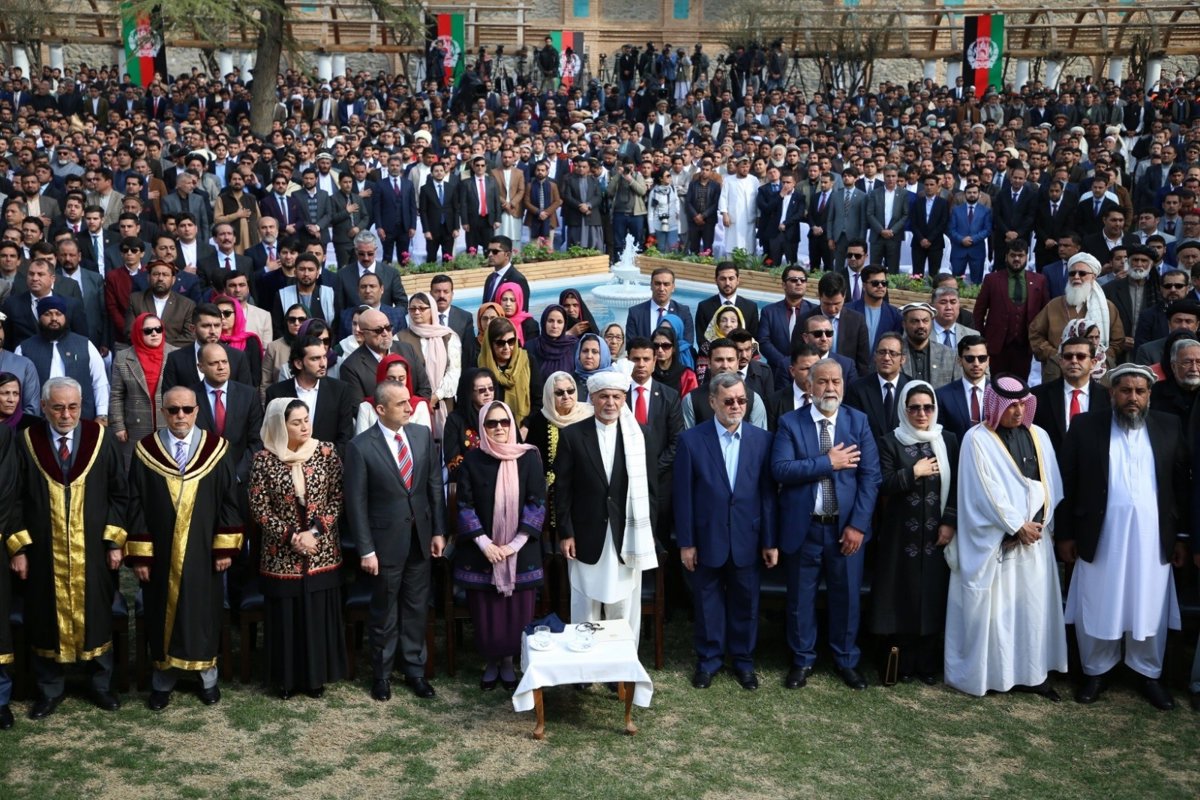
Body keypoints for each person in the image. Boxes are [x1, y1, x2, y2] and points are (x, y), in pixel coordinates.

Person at [1058, 364, 1189, 710]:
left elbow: (1180, 486)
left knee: (1149, 601)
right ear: (1112, 393)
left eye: (1139, 391)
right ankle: (1096, 670)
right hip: (1101, 536)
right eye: (1125, 390)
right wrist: (1066, 534)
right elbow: (1067, 483)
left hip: (1152, 538)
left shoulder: (1169, 426)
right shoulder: (1086, 426)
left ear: (1149, 395)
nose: (1133, 398)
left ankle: (1148, 672)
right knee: (1099, 599)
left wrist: (1182, 537)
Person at [9, 378, 129, 719]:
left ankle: (100, 684)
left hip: (93, 550)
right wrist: (19, 548)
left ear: (81, 405)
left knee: (97, 612)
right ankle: (50, 688)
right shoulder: (26, 442)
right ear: (44, 407)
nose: (66, 415)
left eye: (73, 407)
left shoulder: (100, 438)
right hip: (43, 551)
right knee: (44, 614)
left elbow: (119, 493)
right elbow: (13, 498)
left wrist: (114, 542)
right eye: (58, 407)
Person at [944, 375, 1068, 700]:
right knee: (998, 615)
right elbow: (984, 492)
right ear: (996, 405)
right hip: (998, 542)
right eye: (1011, 405)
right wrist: (1016, 526)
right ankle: (996, 675)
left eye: (1023, 404)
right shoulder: (977, 439)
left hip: (1035, 541)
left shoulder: (1039, 435)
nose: (1018, 411)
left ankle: (1033, 675)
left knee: (1032, 609)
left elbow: (1052, 484)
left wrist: (1039, 523)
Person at [126, 385, 244, 710]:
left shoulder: (217, 449)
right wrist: (140, 554)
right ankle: (163, 679)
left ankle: (207, 677)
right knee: (160, 611)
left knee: (203, 613)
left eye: (187, 409)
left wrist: (224, 548)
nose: (181, 416)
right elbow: (135, 504)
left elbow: (229, 502)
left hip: (203, 553)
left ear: (196, 411)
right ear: (163, 412)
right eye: (173, 410)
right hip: (161, 554)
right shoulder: (145, 450)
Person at [772, 358, 881, 690]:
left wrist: (858, 526)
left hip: (846, 530)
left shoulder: (858, 422)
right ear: (809, 386)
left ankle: (846, 660)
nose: (830, 388)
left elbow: (871, 478)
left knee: (846, 598)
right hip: (805, 529)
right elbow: (781, 469)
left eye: (836, 381)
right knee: (800, 600)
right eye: (822, 381)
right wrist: (827, 462)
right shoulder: (790, 423)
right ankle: (802, 659)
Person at [674, 372, 778, 690]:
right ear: (712, 401)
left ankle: (744, 662)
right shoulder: (691, 440)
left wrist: (770, 541)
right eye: (729, 400)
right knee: (707, 603)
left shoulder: (763, 440)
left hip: (748, 537)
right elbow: (683, 496)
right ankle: (709, 661)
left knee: (746, 602)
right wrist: (686, 543)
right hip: (707, 537)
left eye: (741, 400)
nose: (736, 406)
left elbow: (768, 495)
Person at [344, 378, 446, 701]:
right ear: (380, 409)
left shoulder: (421, 435)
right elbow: (356, 504)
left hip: (420, 539)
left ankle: (415, 670)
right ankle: (382, 675)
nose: (409, 407)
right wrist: (366, 549)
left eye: (409, 401)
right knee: (384, 612)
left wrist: (438, 531)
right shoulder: (361, 447)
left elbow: (433, 487)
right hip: (384, 544)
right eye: (401, 403)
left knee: (416, 608)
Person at [249, 398, 348, 699]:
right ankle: (286, 680)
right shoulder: (264, 459)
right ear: (280, 426)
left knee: (317, 613)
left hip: (320, 550)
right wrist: (293, 536)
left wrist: (314, 532)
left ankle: (316, 678)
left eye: (307, 419)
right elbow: (259, 508)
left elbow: (338, 495)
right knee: (286, 617)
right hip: (281, 554)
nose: (305, 426)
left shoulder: (326, 451)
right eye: (296, 422)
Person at [555, 371, 658, 645]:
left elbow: (651, 489)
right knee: (585, 601)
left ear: (624, 399)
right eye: (604, 397)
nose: (610, 403)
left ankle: (621, 659)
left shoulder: (640, 435)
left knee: (623, 603)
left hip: (627, 532)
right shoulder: (573, 435)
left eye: (616, 397)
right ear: (593, 398)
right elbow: (562, 489)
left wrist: (648, 532)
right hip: (585, 534)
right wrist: (566, 533)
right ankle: (584, 658)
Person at [453, 400, 547, 690]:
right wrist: (485, 544)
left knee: (517, 610)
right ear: (482, 427)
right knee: (487, 611)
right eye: (491, 423)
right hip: (483, 552)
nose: (498, 428)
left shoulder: (528, 457)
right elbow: (464, 505)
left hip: (521, 551)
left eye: (504, 422)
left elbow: (537, 502)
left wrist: (514, 544)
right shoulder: (472, 460)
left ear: (511, 425)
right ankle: (491, 662)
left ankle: (508, 661)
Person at [873, 381, 959, 684]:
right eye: (915, 408)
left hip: (937, 536)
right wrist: (913, 472)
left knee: (933, 596)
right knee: (904, 598)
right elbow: (882, 483)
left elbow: (958, 484)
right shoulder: (890, 441)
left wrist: (950, 522)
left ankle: (928, 665)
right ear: (904, 410)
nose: (922, 414)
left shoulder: (947, 440)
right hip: (900, 537)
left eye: (928, 407)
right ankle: (904, 664)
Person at [1029, 252, 1125, 382]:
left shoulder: (1107, 307)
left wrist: (1098, 358)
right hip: (1058, 371)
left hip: (1095, 375)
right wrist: (1055, 355)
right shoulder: (1054, 305)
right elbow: (1035, 334)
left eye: (1082, 273)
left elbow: (1118, 341)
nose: (1076, 277)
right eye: (1072, 273)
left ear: (1093, 276)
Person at [972, 238, 1050, 379]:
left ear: (1027, 257)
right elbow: (978, 312)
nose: (1016, 259)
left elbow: (1045, 313)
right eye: (1013, 255)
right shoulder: (992, 279)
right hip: (996, 344)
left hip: (1025, 345)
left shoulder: (1039, 280)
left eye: (1020, 255)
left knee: (1020, 384)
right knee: (996, 383)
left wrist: (1039, 339)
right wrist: (982, 338)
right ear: (1006, 256)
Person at [110, 312, 176, 469]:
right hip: (136, 426)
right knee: (137, 471)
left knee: (167, 470)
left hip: (169, 424)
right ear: (138, 333)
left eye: (158, 329)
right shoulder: (122, 357)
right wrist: (118, 425)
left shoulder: (175, 354)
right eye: (148, 331)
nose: (154, 333)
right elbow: (116, 395)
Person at [402, 291, 461, 437]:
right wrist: (422, 400)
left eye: (422, 308)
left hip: (444, 402)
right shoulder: (400, 338)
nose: (416, 312)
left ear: (432, 309)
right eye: (412, 309)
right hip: (414, 404)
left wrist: (436, 395)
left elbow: (454, 372)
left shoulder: (448, 336)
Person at [479, 318, 539, 432]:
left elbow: (538, 400)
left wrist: (526, 426)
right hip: (490, 430)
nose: (507, 347)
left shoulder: (527, 361)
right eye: (500, 343)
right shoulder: (481, 365)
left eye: (511, 341)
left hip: (525, 430)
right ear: (490, 344)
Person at [355, 354, 432, 434]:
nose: (397, 383)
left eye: (401, 378)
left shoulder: (420, 406)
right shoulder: (366, 407)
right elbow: (361, 440)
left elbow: (423, 439)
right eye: (391, 379)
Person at [444, 368, 499, 478]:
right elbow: (452, 460)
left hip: (502, 475)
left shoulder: (503, 414)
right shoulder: (455, 419)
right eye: (482, 390)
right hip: (470, 480)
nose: (488, 393)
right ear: (469, 392)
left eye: (491, 388)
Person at [696, 304, 745, 384]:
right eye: (723, 321)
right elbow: (701, 376)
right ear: (717, 323)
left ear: (739, 323)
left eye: (733, 321)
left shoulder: (748, 345)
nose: (728, 325)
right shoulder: (707, 346)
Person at [650, 322, 698, 397]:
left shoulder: (687, 375)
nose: (660, 350)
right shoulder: (647, 372)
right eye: (656, 345)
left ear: (674, 348)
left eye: (666, 346)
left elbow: (690, 401)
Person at [573, 332, 613, 401]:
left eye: (595, 352)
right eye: (585, 351)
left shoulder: (613, 382)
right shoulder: (570, 381)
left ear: (603, 355)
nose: (589, 356)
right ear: (579, 354)